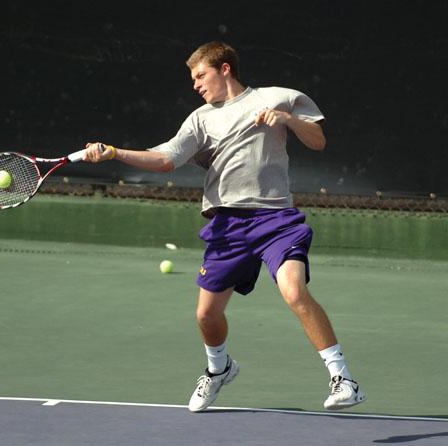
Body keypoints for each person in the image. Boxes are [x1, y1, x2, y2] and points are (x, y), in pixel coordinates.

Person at [83, 41, 366, 412]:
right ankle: (219, 370)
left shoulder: (279, 97)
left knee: (294, 292)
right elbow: (166, 159)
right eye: (193, 79)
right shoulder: (201, 119)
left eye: (200, 75)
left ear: (225, 69)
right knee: (206, 314)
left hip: (276, 219)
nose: (196, 84)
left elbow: (317, 140)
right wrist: (115, 152)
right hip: (227, 226)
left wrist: (287, 120)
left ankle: (344, 379)